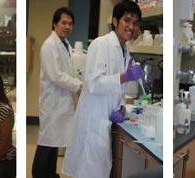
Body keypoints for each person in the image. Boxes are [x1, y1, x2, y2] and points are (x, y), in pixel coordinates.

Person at [62, 1, 143, 177]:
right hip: (93, 122)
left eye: (135, 22)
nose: (131, 26)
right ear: (115, 21)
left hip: (105, 120)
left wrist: (121, 108)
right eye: (126, 20)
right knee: (90, 170)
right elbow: (93, 84)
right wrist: (124, 76)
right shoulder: (100, 44)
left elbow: (118, 90)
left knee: (98, 170)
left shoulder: (124, 50)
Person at [32, 7, 82, 178]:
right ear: (54, 24)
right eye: (63, 23)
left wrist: (78, 83)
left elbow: (67, 71)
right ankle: (39, 174)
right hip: (52, 102)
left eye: (70, 24)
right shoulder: (49, 45)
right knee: (46, 142)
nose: (67, 27)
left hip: (61, 101)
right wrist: (78, 86)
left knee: (55, 142)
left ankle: (50, 174)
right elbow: (56, 75)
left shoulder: (64, 44)